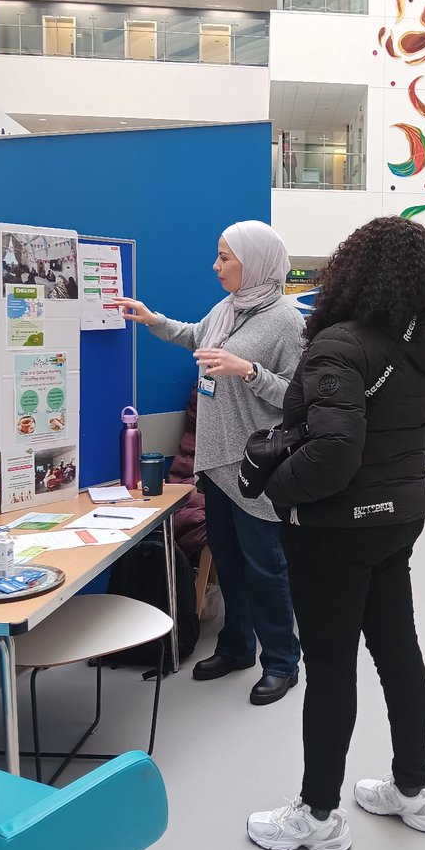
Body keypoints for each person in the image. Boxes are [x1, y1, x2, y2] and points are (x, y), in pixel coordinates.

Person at [246, 216, 425, 850]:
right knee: (398, 653)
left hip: (333, 534)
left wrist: (277, 488)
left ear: (354, 269)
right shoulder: (424, 345)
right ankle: (413, 793)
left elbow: (332, 455)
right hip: (399, 522)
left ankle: (316, 817)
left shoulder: (338, 345)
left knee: (331, 670)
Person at [112, 220, 305, 707]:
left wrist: (251, 372)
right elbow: (194, 335)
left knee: (266, 567)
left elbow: (300, 399)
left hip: (256, 467)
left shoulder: (288, 320)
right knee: (231, 563)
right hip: (216, 463)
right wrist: (151, 318)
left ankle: (282, 661)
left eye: (225, 257)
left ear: (256, 261)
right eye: (218, 256)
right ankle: (237, 647)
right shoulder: (225, 309)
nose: (216, 266)